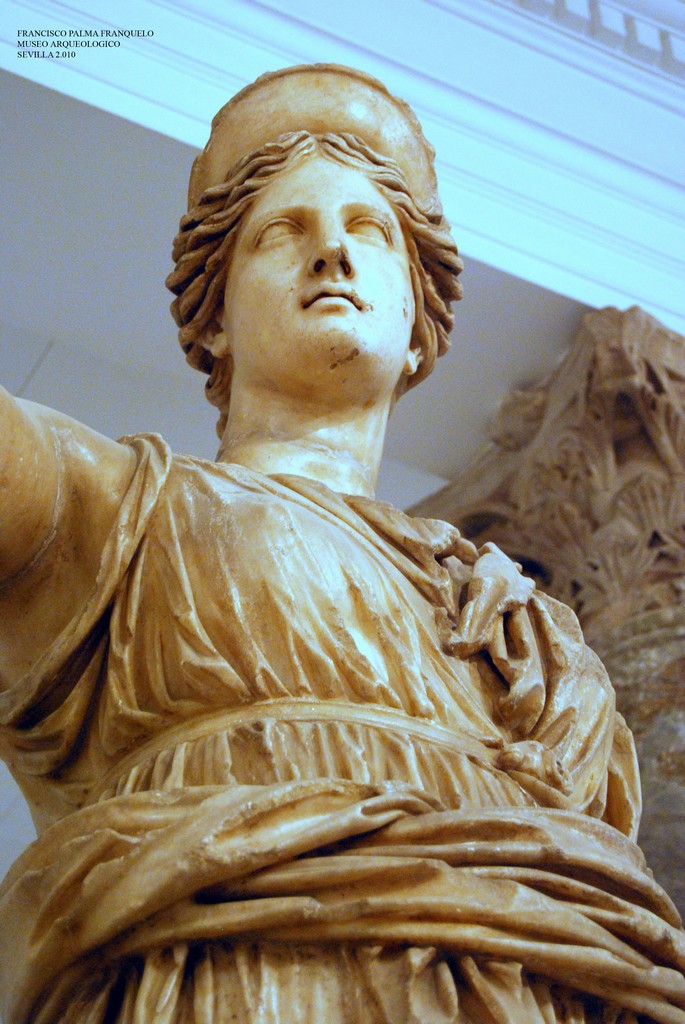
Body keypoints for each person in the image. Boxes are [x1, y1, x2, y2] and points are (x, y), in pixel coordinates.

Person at [0, 64, 684, 1024]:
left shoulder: (533, 634)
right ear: (214, 322)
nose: (331, 250)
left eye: (368, 229)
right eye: (282, 231)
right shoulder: (117, 508)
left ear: (419, 332)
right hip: (234, 987)